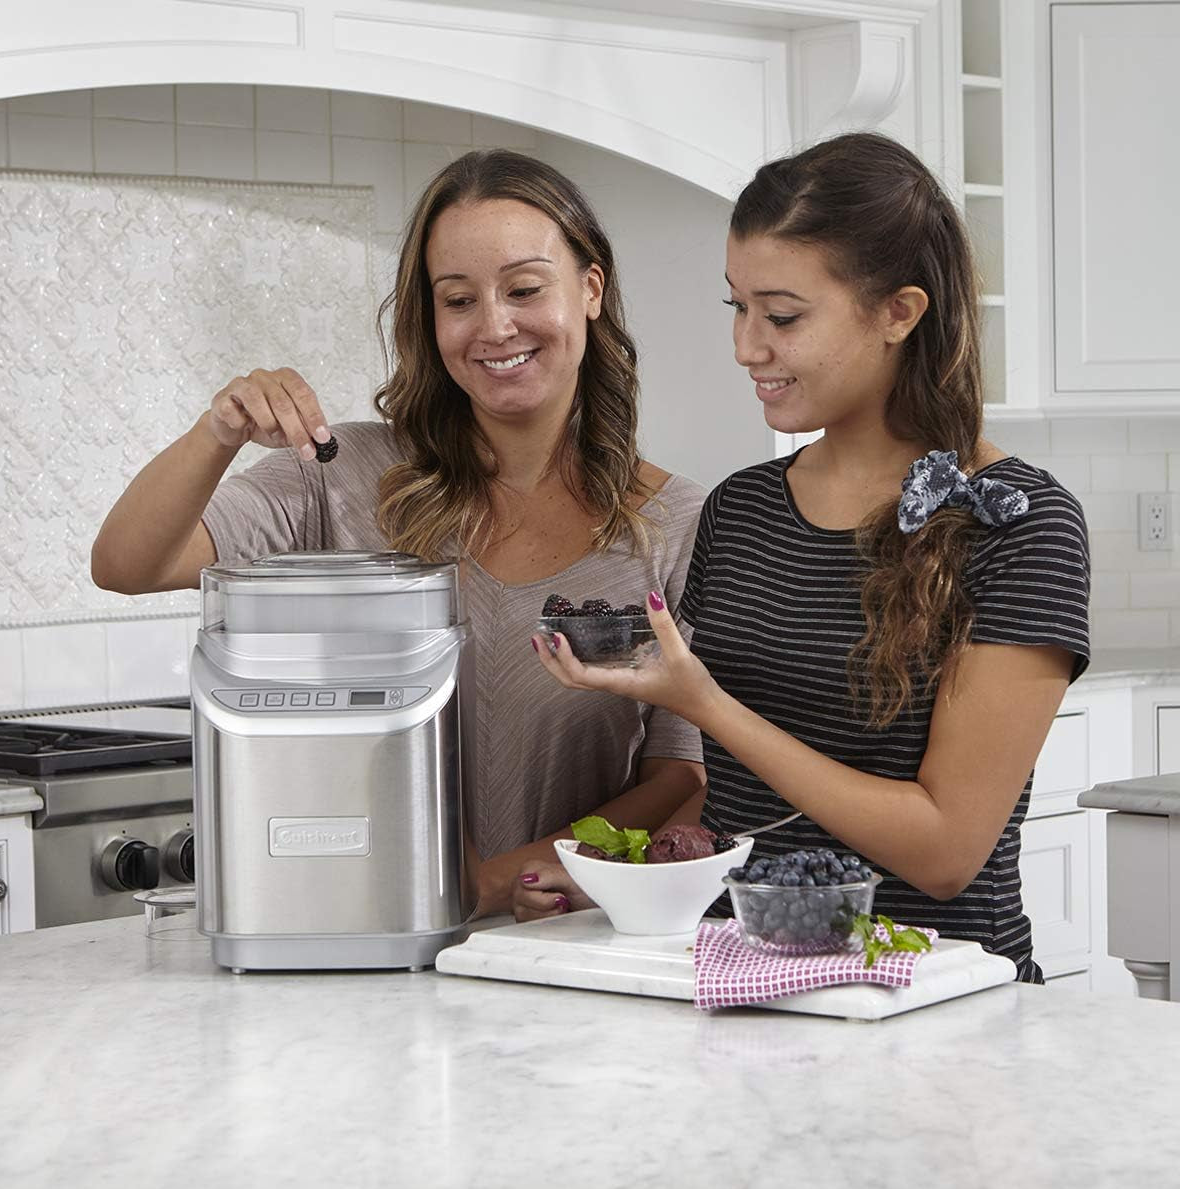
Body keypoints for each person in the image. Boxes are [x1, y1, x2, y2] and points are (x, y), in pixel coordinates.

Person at [531, 131, 1090, 981]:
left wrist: (708, 706)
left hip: (937, 1000)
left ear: (899, 313)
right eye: (738, 308)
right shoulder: (742, 509)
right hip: (745, 984)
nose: (747, 347)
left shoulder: (1020, 523)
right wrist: (606, 869)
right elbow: (734, 794)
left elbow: (945, 850)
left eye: (783, 316)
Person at [91, 148, 706, 919]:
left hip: (570, 941)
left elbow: (682, 774)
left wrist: (494, 881)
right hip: (362, 937)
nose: (493, 326)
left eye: (523, 288)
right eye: (458, 299)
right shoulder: (339, 475)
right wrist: (217, 431)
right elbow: (127, 564)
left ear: (589, 289)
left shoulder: (676, 524)